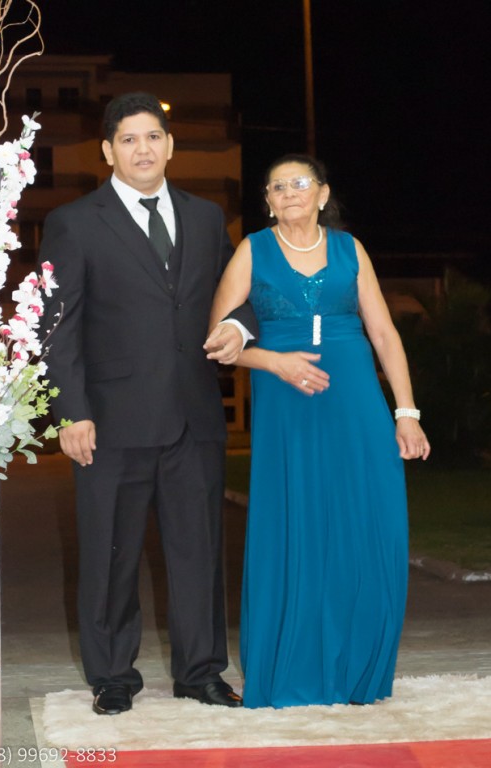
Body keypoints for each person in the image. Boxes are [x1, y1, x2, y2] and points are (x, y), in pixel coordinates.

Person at [38, 92, 255, 715]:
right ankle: (112, 676)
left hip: (193, 416)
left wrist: (238, 327)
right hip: (110, 421)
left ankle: (200, 672)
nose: (143, 149)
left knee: (199, 553)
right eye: (129, 139)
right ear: (108, 151)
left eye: (153, 137)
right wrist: (71, 411)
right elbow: (56, 327)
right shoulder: (75, 222)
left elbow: (238, 294)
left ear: (171, 145)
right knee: (111, 552)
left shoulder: (206, 217)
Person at [209, 153, 430, 709]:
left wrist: (406, 411)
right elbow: (217, 340)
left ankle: (359, 669)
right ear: (267, 201)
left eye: (299, 183)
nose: (289, 193)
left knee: (369, 518)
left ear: (323, 194)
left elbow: (384, 334)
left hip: (355, 398)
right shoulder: (252, 250)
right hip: (288, 403)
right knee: (298, 522)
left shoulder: (351, 250)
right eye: (277, 186)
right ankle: (294, 668)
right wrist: (274, 362)